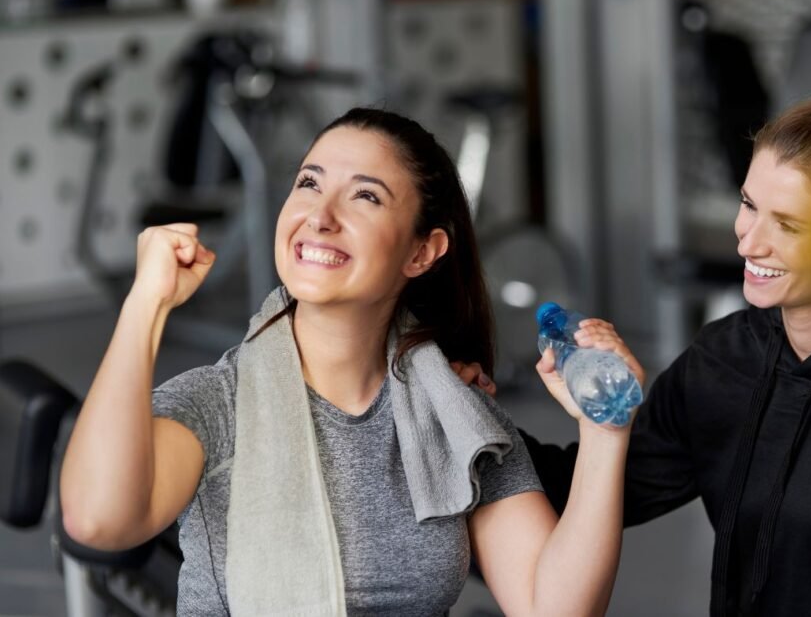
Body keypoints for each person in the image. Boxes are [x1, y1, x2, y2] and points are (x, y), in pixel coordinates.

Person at [457, 68, 811, 615]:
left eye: (789, 225)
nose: (749, 243)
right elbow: (587, 492)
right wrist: (466, 414)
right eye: (749, 205)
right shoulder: (724, 361)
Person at [59, 107, 637, 616]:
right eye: (309, 183)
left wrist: (605, 433)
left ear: (423, 251)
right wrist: (146, 304)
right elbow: (98, 522)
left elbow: (555, 607)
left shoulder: (454, 415)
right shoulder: (218, 405)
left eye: (365, 195)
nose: (320, 215)